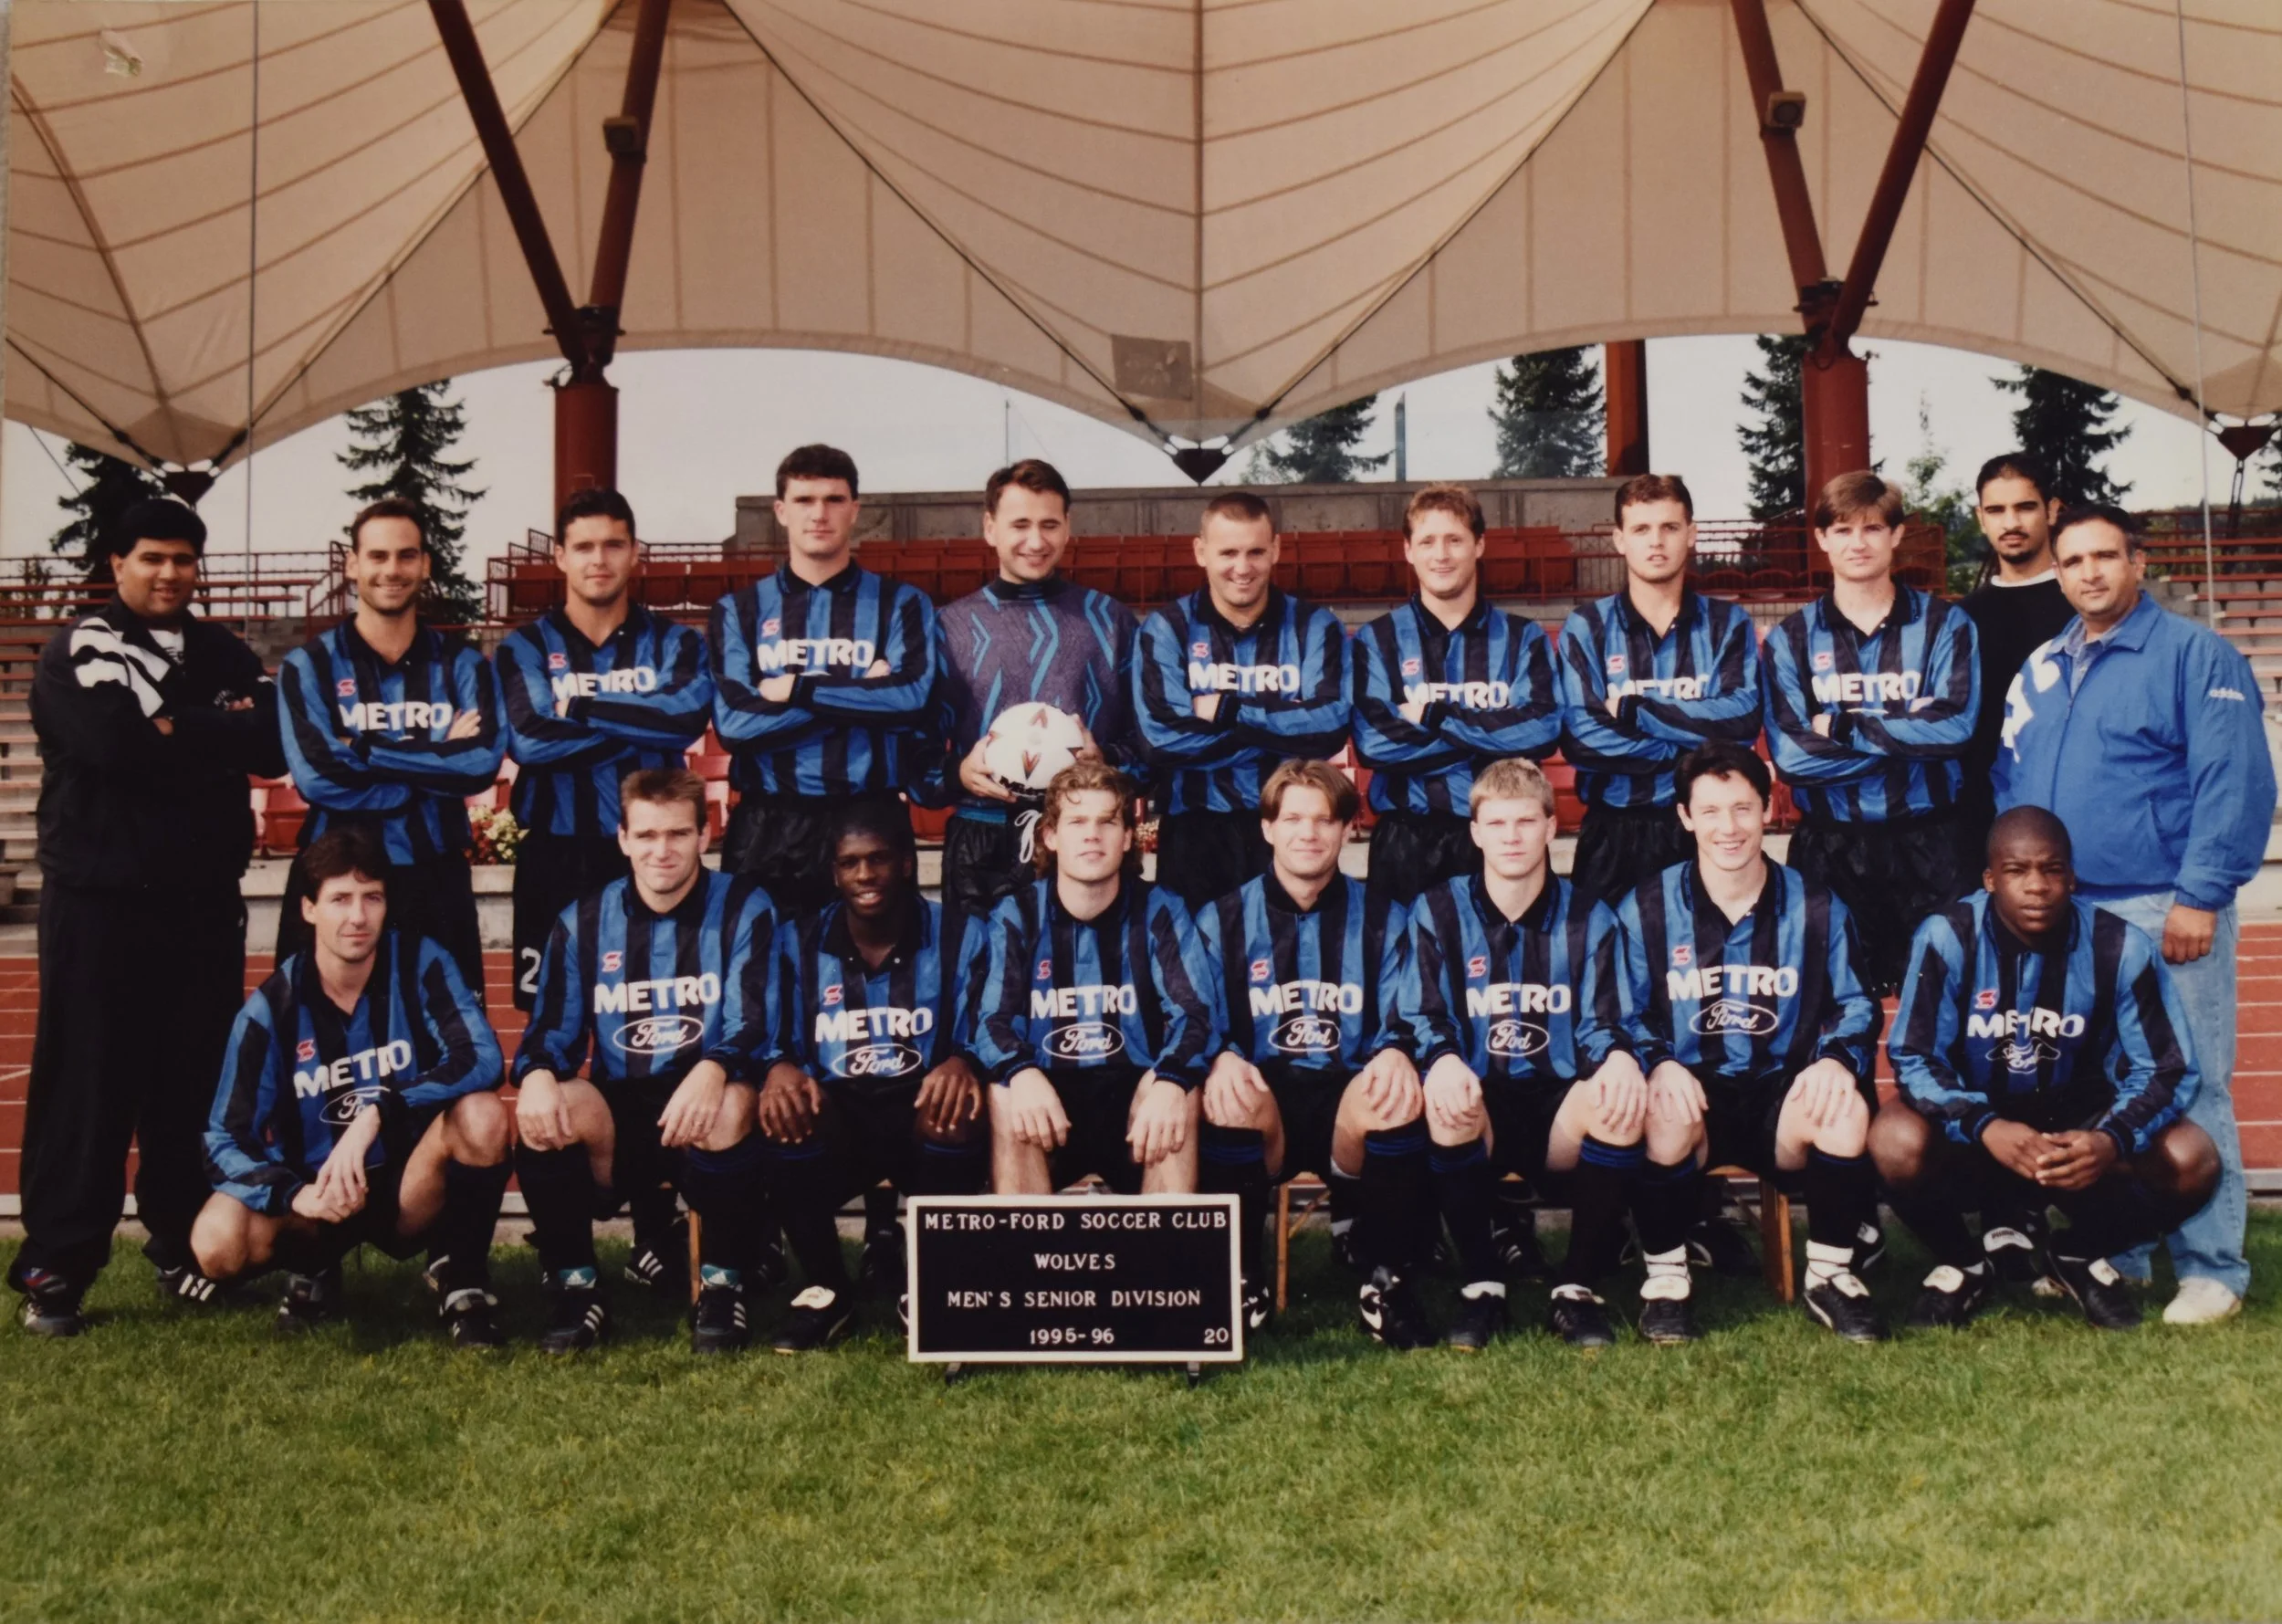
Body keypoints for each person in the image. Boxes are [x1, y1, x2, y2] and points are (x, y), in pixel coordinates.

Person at [9, 498, 288, 1336]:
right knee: (87, 1080)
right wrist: (214, 729)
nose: (169, 573)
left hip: (201, 903)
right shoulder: (78, 649)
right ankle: (57, 1263)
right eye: (152, 558)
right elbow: (111, 746)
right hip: (99, 903)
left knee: (194, 1081)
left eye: (183, 560)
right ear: (117, 563)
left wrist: (174, 725)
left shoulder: (221, 648)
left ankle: (182, 1243)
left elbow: (273, 744)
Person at [1994, 504, 2275, 1325]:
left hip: (2162, 903)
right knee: (2106, 1090)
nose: (2088, 573)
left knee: (2190, 1080)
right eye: (2073, 559)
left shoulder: (2196, 655)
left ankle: (2213, 1265)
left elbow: (2237, 783)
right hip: (2072, 915)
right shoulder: (2046, 664)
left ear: (2138, 563)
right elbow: (2013, 784)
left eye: (2104, 556)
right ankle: (2119, 1249)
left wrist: (2201, 892)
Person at [1875, 808, 2220, 1331]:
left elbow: (2167, 1068)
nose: (2036, 886)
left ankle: (2079, 1253)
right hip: (1978, 1129)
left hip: (2075, 1130)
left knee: (2193, 1157)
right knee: (1893, 1140)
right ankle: (1962, 1261)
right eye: (2017, 871)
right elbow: (1915, 1056)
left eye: (2051, 870)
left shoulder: (2120, 946)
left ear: (2072, 877)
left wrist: (2110, 1140)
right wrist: (1985, 1126)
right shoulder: (1948, 938)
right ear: (1990, 879)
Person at [495, 488, 713, 1290]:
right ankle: (573, 1198)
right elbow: (528, 736)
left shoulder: (675, 641)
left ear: (634, 552)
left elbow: (685, 720)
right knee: (553, 1024)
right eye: (583, 545)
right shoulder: (523, 647)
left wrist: (581, 699)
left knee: (662, 1016)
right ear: (559, 555)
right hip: (555, 853)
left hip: (643, 851)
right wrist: (634, 715)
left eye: (613, 544)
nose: (598, 559)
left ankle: (659, 1216)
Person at [194, 826, 512, 1346]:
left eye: (372, 898)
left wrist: (380, 1111)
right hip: (319, 1195)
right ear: (309, 908)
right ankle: (313, 1268)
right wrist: (294, 1196)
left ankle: (463, 1276)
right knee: (216, 1240)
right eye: (340, 899)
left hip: (409, 1186)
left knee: (483, 1114)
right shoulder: (269, 1009)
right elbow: (223, 1137)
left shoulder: (421, 962)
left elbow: (480, 1057)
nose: (358, 916)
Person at [1613, 742, 1886, 1344]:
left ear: (1768, 808)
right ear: (1684, 817)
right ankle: (1664, 1283)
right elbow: (1623, 1011)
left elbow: (1856, 1003)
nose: (1728, 827)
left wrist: (1837, 1061)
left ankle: (1830, 1276)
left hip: (1778, 1098)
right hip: (1695, 1098)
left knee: (1842, 1107)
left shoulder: (1816, 905)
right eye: (1710, 811)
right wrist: (1656, 1063)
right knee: (1659, 1105)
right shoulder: (1648, 907)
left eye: (1742, 808)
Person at [511, 770, 779, 1354]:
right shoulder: (581, 919)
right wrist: (533, 1076)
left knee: (733, 1103)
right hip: (623, 1117)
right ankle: (577, 1286)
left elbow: (752, 1020)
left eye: (678, 834)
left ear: (704, 836)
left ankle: (722, 1285)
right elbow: (549, 1033)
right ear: (623, 838)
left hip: (703, 1111)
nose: (663, 850)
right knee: (547, 1107)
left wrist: (713, 1068)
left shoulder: (744, 906)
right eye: (649, 835)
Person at [1405, 759, 1644, 1352]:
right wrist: (1444, 1059)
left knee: (1618, 1100)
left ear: (1550, 826)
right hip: (1480, 1096)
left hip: (1557, 1100)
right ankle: (1482, 1284)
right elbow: (1423, 1011)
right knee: (1444, 1099)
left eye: (1524, 821)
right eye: (1497, 822)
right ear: (1476, 831)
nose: (1511, 836)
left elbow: (1603, 1019)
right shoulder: (1436, 909)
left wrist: (1615, 1056)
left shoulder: (1590, 914)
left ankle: (1576, 1288)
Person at [1190, 761, 1423, 1343]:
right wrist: (1219, 1056)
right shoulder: (1220, 920)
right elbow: (1196, 1016)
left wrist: (1395, 1050)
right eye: (1292, 817)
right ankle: (1241, 1275)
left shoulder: (1384, 917)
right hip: (1265, 1099)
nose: (1308, 833)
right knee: (1226, 1093)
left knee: (1394, 1093)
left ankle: (1387, 1277)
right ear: (1267, 827)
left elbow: (1408, 1011)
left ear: (1348, 830)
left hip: (1346, 1097)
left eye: (1324, 819)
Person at [750, 802, 990, 1352]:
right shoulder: (796, 940)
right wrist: (779, 1066)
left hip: (923, 1120)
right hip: (841, 1119)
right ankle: (827, 1291)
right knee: (785, 1110)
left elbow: (992, 1020)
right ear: (833, 872)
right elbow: (771, 1029)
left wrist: (966, 1061)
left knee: (953, 1108)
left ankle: (931, 1284)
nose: (865, 875)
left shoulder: (964, 934)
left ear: (907, 863)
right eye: (850, 863)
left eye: (878, 859)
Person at [1761, 471, 1980, 998]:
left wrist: (1840, 727)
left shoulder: (1946, 626)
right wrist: (1909, 736)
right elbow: (1793, 759)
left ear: (1897, 535)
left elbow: (1955, 729)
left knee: (1938, 1010)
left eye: (1872, 529)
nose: (1857, 543)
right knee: (1832, 1010)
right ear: (1821, 540)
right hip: (1830, 847)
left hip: (1930, 844)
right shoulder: (1790, 639)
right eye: (1842, 530)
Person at [275, 497, 505, 991]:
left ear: (426, 564)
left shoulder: (465, 666)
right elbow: (318, 777)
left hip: (435, 877)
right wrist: (430, 764)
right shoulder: (307, 666)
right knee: (324, 1044)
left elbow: (480, 764)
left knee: (450, 1039)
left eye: (406, 556)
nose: (391, 570)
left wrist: (361, 749)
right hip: (336, 882)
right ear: (353, 564)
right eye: (377, 556)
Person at [710, 444, 938, 914]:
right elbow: (735, 725)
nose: (819, 514)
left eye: (834, 500)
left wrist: (798, 689)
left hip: (870, 815)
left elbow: (911, 700)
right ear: (780, 511)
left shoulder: (902, 604)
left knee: (878, 975)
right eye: (804, 500)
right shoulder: (739, 612)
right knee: (765, 976)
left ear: (854, 510)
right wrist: (864, 697)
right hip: (769, 824)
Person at [971, 761, 1214, 1200]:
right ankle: (1031, 1264)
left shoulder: (1160, 909)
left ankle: (1165, 1265)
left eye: (1107, 822)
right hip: (1049, 1094)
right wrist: (1021, 1072)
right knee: (1007, 1094)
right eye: (1077, 821)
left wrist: (1171, 1080)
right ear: (1050, 836)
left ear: (1127, 839)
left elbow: (1195, 1013)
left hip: (1134, 1098)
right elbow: (992, 1020)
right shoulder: (1017, 914)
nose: (1091, 835)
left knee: (1181, 1092)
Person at [930, 458, 1138, 935]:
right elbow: (916, 757)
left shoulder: (1110, 622)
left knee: (1089, 993)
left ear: (1068, 527)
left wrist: (1105, 761)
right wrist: (959, 771)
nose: (1036, 540)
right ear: (990, 528)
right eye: (1020, 524)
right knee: (982, 992)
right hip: (982, 842)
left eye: (1049, 524)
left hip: (1088, 838)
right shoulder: (950, 627)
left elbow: (1149, 748)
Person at [1134, 492, 1351, 907]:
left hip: (1289, 831)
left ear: (1276, 550)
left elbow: (1328, 729)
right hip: (1194, 832)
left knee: (1290, 967)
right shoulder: (1166, 629)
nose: (1242, 567)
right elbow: (1160, 741)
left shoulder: (1316, 627)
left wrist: (1226, 710)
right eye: (1228, 552)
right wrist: (1283, 730)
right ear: (1201, 552)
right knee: (1198, 963)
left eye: (1255, 552)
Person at [1557, 474, 1763, 906]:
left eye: (1670, 528)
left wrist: (1635, 712)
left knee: (1707, 970)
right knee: (1607, 967)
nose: (1657, 542)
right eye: (1641, 529)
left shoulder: (1728, 624)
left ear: (1691, 534)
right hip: (1614, 833)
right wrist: (1693, 749)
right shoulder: (1587, 627)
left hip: (1704, 833)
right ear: (1619, 540)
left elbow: (1741, 722)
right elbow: (1582, 739)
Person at [1353, 483, 1560, 905]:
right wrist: (1492, 740)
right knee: (1405, 966)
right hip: (1406, 840)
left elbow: (1541, 731)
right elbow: (1374, 744)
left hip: (1501, 839)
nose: (1441, 554)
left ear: (1479, 545)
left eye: (1454, 540)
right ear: (1408, 550)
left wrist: (1435, 718)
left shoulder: (1524, 638)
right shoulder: (1377, 640)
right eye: (1427, 541)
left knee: (1505, 968)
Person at [1956, 454, 2074, 859]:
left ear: (2052, 510)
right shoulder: (1959, 620)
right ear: (1980, 517)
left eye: (2025, 507)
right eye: (1996, 510)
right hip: (1983, 825)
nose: (2011, 523)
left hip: (2077, 817)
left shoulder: (2084, 608)